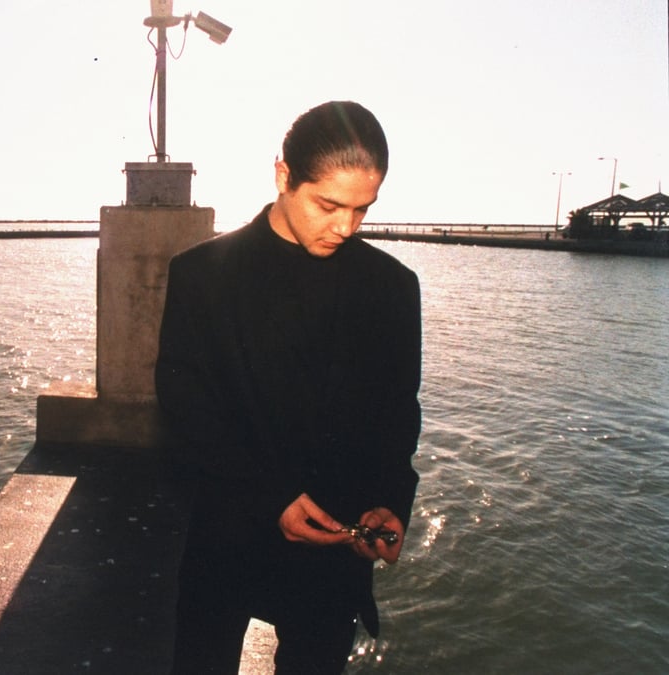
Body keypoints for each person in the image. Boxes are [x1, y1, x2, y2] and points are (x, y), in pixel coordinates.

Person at [156, 100, 422, 674]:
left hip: (334, 553)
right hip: (226, 536)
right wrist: (268, 495)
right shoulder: (201, 274)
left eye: (363, 209)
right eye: (329, 205)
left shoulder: (393, 288)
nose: (346, 228)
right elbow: (185, 408)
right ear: (283, 176)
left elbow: (398, 414)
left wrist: (390, 498)